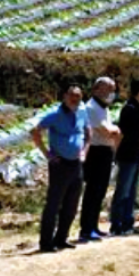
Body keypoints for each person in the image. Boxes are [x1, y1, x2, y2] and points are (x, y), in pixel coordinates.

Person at [32, 85, 91, 252]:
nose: (75, 99)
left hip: (76, 164)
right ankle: (46, 242)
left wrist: (84, 152)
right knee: (54, 204)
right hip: (60, 164)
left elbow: (88, 133)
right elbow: (35, 132)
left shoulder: (81, 113)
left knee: (72, 204)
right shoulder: (54, 115)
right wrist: (47, 154)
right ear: (65, 96)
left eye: (78, 96)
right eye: (72, 96)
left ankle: (61, 238)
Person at [81, 77, 122, 242]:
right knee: (93, 191)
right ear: (96, 89)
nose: (110, 93)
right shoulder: (91, 108)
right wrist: (116, 131)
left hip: (105, 151)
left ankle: (94, 225)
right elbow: (107, 132)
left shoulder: (103, 107)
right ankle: (86, 228)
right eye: (107, 89)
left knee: (100, 191)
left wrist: (115, 131)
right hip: (96, 152)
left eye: (112, 89)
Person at [109, 79, 139, 236]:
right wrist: (116, 154)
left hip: (135, 156)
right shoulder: (129, 109)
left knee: (131, 191)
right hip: (126, 156)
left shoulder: (138, 108)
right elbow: (121, 135)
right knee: (123, 191)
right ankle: (116, 224)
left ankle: (128, 223)